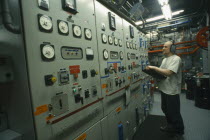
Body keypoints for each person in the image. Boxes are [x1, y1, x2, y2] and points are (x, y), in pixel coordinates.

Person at [146, 41, 184, 139]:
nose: (163, 48)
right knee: (165, 109)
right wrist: (153, 72)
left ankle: (179, 131)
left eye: (165, 47)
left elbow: (169, 73)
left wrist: (154, 67)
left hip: (172, 90)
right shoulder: (164, 60)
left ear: (172, 49)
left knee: (174, 112)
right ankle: (170, 126)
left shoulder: (176, 59)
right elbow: (161, 73)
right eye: (163, 46)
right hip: (164, 88)